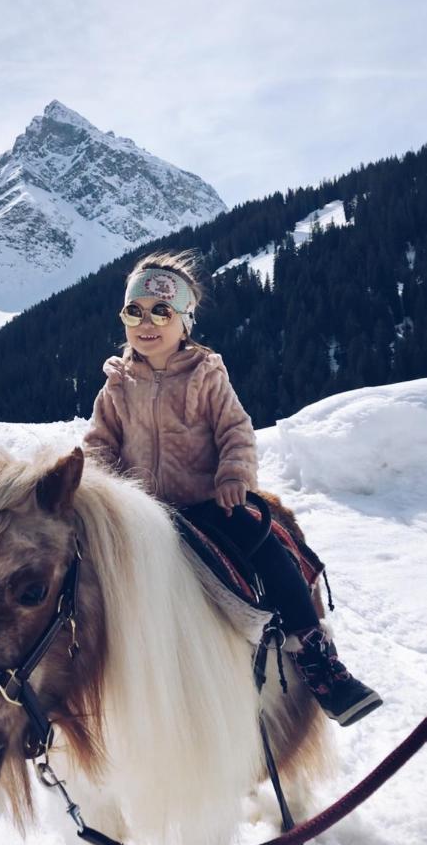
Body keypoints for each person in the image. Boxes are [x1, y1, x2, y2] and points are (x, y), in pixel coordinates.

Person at [83, 249, 382, 727]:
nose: (146, 322)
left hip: (206, 504)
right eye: (133, 311)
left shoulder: (206, 375)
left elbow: (236, 433)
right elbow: (99, 447)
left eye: (162, 311)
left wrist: (232, 478)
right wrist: (103, 493)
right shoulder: (116, 387)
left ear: (185, 321)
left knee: (267, 551)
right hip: (141, 515)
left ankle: (315, 655)